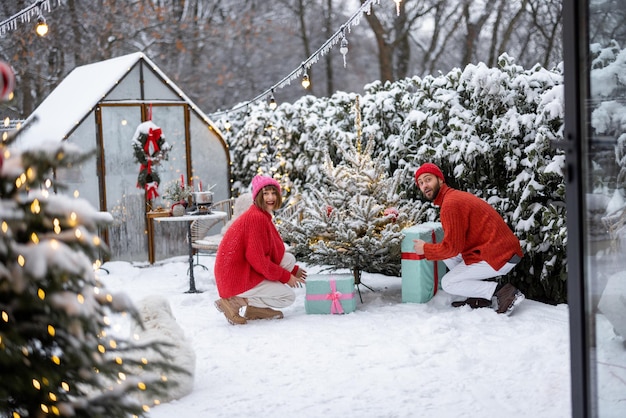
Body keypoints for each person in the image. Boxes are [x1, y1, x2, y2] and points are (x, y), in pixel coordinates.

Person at [412, 163, 525, 315]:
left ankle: (503, 292)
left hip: (500, 255)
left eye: (428, 179)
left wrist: (425, 249)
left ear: (440, 180)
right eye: (421, 183)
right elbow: (453, 247)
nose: (425, 185)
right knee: (448, 256)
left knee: (448, 283)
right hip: (495, 249)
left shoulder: (450, 204)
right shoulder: (451, 198)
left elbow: (452, 248)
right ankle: (478, 296)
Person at [214, 175, 307, 325]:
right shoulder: (256, 218)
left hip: (242, 269)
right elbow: (259, 261)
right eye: (265, 193)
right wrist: (286, 277)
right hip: (236, 278)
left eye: (273, 193)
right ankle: (234, 302)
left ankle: (255, 309)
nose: (270, 197)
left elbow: (271, 251)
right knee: (287, 297)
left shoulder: (262, 215)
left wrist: (292, 269)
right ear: (257, 196)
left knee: (289, 259)